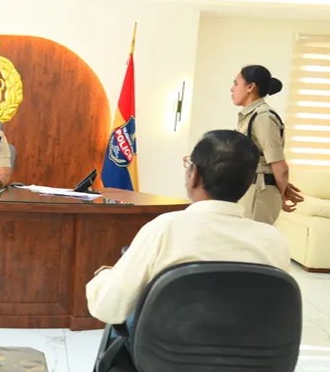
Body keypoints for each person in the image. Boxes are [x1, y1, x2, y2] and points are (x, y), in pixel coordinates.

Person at [86, 130, 289, 326]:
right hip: (249, 349)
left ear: (194, 175)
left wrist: (104, 277)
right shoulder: (273, 240)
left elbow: (108, 309)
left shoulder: (164, 229)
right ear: (249, 181)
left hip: (165, 348)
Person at [231, 64, 303, 225]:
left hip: (258, 193)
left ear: (250, 87)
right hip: (251, 189)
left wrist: (281, 194)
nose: (231, 89)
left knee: (251, 238)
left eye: (236, 83)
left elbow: (280, 166)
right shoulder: (250, 116)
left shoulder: (263, 117)